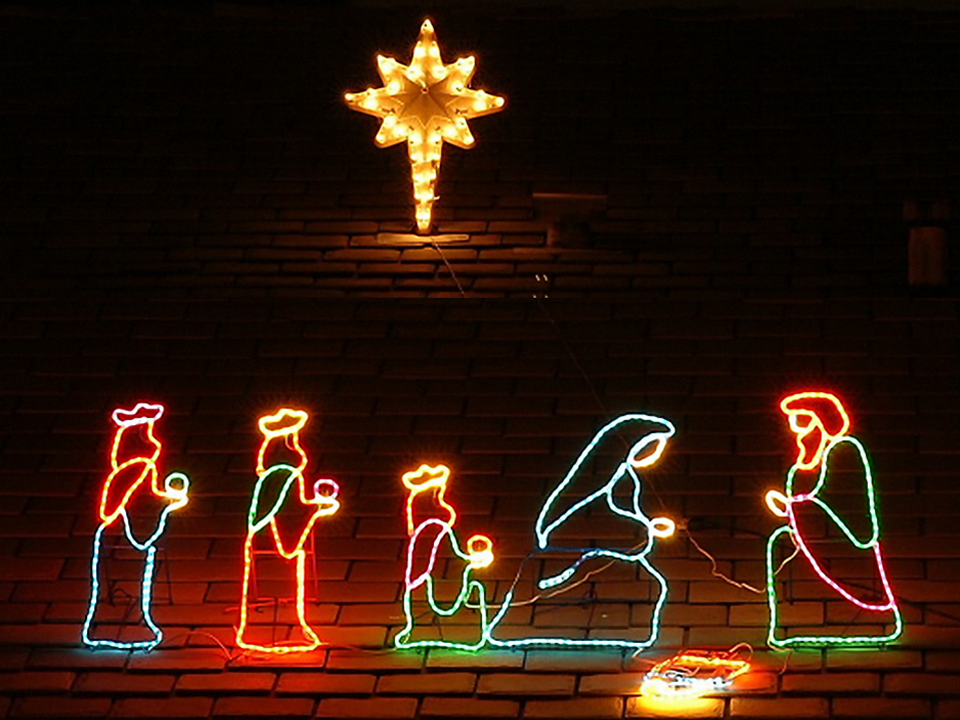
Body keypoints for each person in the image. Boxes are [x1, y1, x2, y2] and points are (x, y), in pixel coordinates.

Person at [489, 414, 677, 651]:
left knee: (650, 583)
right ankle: (524, 625)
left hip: (604, 545)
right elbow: (591, 515)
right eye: (651, 445)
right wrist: (639, 530)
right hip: (577, 545)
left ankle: (629, 628)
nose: (653, 452)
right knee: (640, 580)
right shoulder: (597, 481)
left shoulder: (626, 477)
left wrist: (646, 525)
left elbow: (627, 513)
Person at [765, 391, 902, 648]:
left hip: (844, 547)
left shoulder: (844, 449)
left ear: (823, 422)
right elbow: (806, 510)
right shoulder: (799, 470)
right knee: (780, 539)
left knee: (794, 528)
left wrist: (799, 507)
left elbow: (851, 514)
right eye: (793, 424)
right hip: (812, 541)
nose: (798, 433)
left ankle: (867, 617)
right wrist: (790, 509)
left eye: (803, 423)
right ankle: (793, 623)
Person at [82, 403, 189, 651]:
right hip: (129, 534)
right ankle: (131, 630)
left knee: (121, 578)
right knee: (136, 573)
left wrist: (166, 498)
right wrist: (170, 500)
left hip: (116, 532)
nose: (154, 440)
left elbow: (140, 497)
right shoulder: (140, 466)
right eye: (146, 433)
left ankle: (104, 626)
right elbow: (144, 501)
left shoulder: (125, 470)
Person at [236, 408, 340, 653]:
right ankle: (290, 630)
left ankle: (255, 630)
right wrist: (318, 508)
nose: (299, 448)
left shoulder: (268, 478)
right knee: (286, 578)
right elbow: (292, 513)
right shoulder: (287, 475)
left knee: (275, 577)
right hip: (277, 543)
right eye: (294, 441)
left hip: (262, 538)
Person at [394, 464, 495, 651]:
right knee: (472, 584)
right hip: (435, 593)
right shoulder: (432, 528)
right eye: (438, 498)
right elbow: (449, 559)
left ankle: (421, 629)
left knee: (469, 583)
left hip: (433, 588)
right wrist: (472, 561)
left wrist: (471, 560)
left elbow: (453, 556)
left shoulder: (433, 530)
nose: (445, 506)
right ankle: (455, 631)